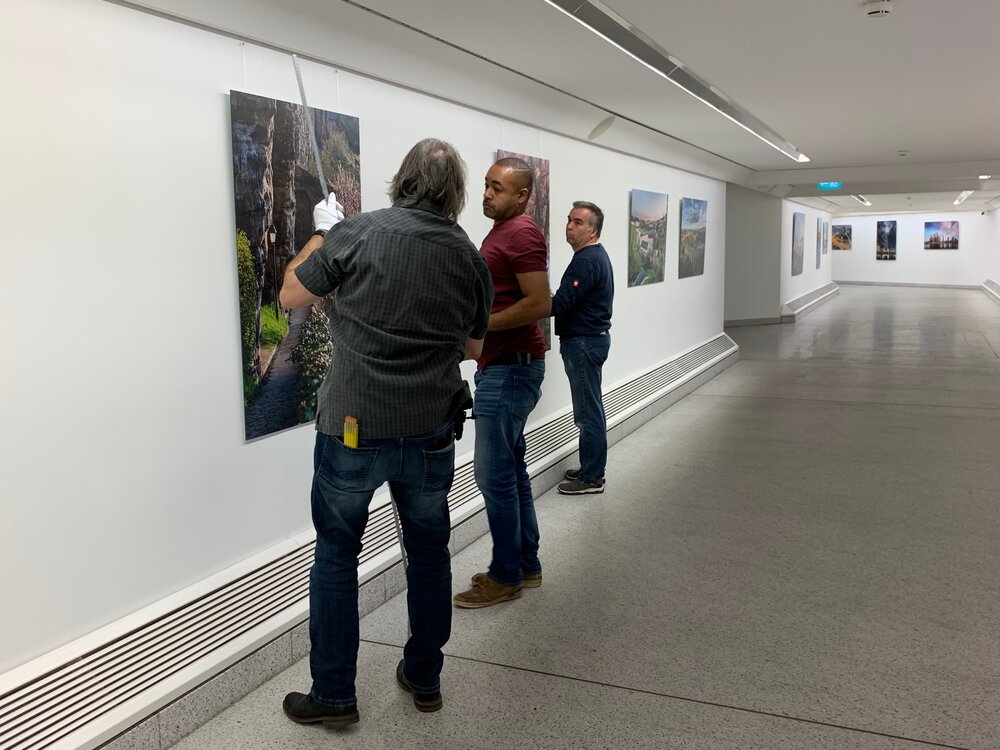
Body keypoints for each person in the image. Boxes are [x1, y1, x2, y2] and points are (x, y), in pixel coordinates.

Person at [278, 139, 493, 726]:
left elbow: (291, 292)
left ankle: (334, 697)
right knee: (428, 554)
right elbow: (476, 348)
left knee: (337, 556)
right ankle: (424, 677)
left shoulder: (358, 234)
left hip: (353, 427)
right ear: (456, 195)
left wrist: (324, 233)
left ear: (401, 180)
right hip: (429, 430)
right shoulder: (469, 256)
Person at [453, 157, 550, 609]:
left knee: (492, 476)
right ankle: (524, 565)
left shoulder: (523, 233)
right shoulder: (503, 232)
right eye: (487, 185)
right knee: (510, 473)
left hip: (510, 369)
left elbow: (539, 304)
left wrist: (482, 326)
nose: (487, 194)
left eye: (497, 188)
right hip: (505, 367)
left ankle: (506, 574)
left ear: (522, 195)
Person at [550, 202, 614, 494]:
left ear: (593, 230)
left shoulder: (586, 261)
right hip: (591, 341)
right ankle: (591, 465)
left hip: (584, 343)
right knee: (590, 409)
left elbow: (562, 303)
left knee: (588, 412)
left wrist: (530, 301)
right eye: (569, 220)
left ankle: (592, 477)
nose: (569, 226)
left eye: (577, 222)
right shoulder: (593, 256)